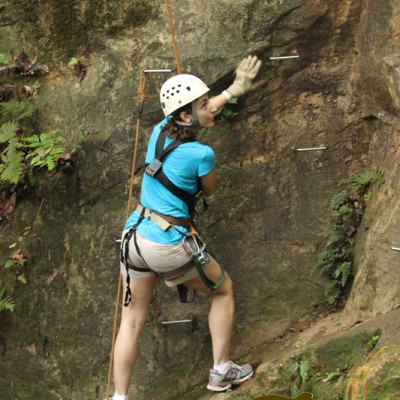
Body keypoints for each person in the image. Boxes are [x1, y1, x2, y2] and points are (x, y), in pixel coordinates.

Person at [112, 55, 262, 399]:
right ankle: (222, 370)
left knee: (132, 321)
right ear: (185, 115)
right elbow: (208, 190)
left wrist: (235, 90)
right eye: (204, 104)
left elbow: (197, 114)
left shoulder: (157, 132)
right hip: (166, 243)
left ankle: (119, 397)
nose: (212, 108)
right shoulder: (202, 153)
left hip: (134, 238)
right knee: (223, 291)